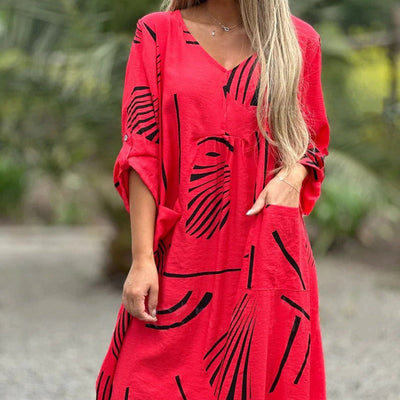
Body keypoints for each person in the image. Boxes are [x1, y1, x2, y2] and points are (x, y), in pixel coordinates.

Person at [96, 0, 330, 398]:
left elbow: (311, 141)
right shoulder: (157, 33)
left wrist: (293, 177)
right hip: (181, 252)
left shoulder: (299, 40)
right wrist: (141, 259)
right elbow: (141, 152)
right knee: (142, 382)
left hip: (266, 252)